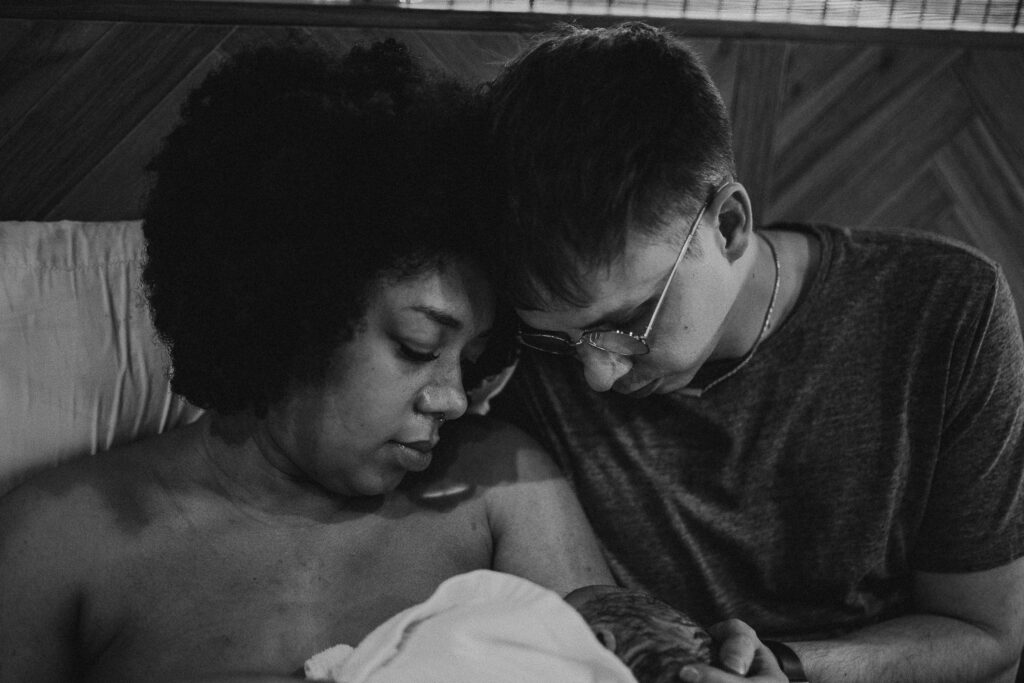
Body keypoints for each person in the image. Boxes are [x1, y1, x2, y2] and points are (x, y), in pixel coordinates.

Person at [0, 40, 615, 682]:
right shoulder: (63, 539)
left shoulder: (502, 491)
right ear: (294, 312)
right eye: (418, 347)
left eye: (474, 360)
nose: (454, 398)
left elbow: (624, 659)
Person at [485, 21, 1024, 683]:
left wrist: (789, 670)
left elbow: (986, 632)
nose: (595, 373)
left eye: (629, 319)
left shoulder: (945, 310)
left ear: (730, 224)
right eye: (559, 339)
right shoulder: (520, 341)